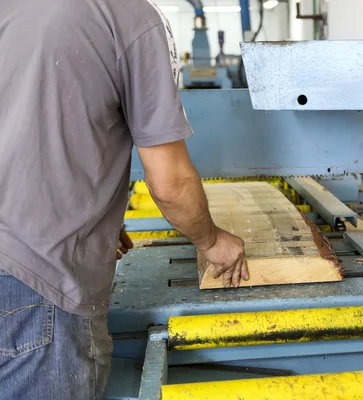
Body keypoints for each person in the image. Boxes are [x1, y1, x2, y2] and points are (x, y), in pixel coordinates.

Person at [0, 0, 249, 398]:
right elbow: (170, 182)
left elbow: (31, 123)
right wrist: (212, 241)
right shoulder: (131, 17)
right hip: (38, 282)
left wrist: (94, 213)